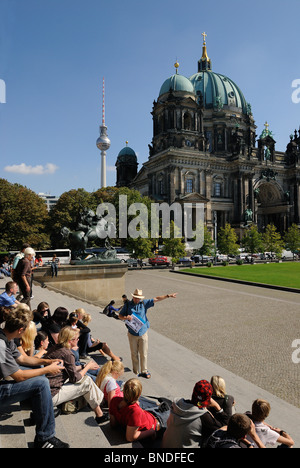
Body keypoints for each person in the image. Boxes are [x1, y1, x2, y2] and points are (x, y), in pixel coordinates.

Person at [0, 305, 69, 448]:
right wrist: (47, 370)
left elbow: (23, 360)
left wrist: (47, 362)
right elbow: (19, 376)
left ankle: (42, 410)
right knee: (42, 383)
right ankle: (44, 438)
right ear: (20, 330)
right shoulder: (1, 344)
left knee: (39, 369)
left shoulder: (7, 336)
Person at [45, 326, 107, 424]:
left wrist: (83, 366)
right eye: (77, 338)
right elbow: (75, 378)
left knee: (86, 380)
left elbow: (68, 369)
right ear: (70, 340)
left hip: (46, 390)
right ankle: (101, 408)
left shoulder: (55, 348)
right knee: (87, 381)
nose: (78, 340)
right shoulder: (68, 354)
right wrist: (87, 367)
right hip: (52, 395)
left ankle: (100, 412)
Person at [118, 288, 177, 379]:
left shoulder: (144, 303)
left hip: (143, 333)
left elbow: (156, 299)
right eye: (135, 297)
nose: (137, 299)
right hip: (132, 334)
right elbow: (120, 316)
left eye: (138, 298)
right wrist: (126, 317)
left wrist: (168, 295)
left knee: (143, 353)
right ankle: (135, 371)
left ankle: (144, 370)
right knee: (134, 353)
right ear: (133, 297)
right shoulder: (128, 305)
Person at [162, 379, 229, 448]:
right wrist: (217, 407)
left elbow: (196, 404)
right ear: (209, 400)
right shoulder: (203, 416)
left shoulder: (177, 403)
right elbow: (225, 426)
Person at [109, 378, 169, 442]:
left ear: (123, 390)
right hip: (155, 423)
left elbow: (113, 424)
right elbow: (130, 437)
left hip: (146, 414)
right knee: (172, 413)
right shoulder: (135, 411)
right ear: (139, 395)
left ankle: (160, 407)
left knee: (159, 408)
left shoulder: (114, 400)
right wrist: (151, 431)